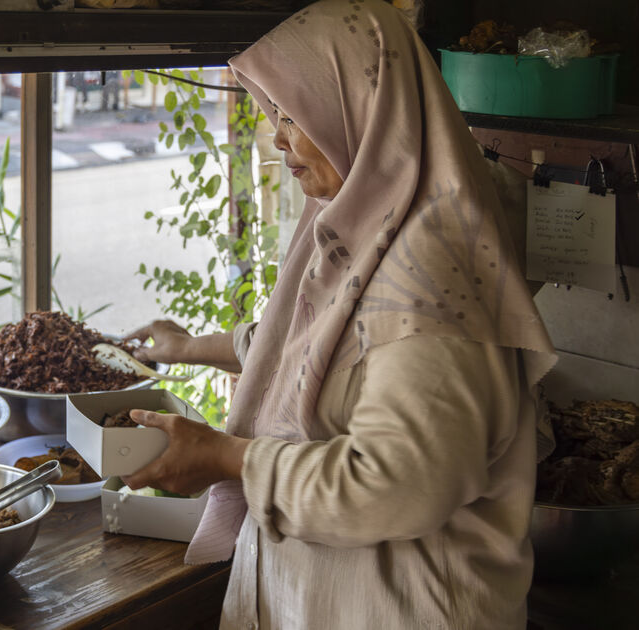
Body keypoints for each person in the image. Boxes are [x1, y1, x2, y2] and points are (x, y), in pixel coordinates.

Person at [123, 1, 557, 628]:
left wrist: (228, 458)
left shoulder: (429, 271)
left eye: (292, 115)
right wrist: (189, 347)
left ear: (356, 109)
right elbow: (315, 344)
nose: (277, 137)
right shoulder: (371, 223)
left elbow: (395, 482)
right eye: (273, 115)